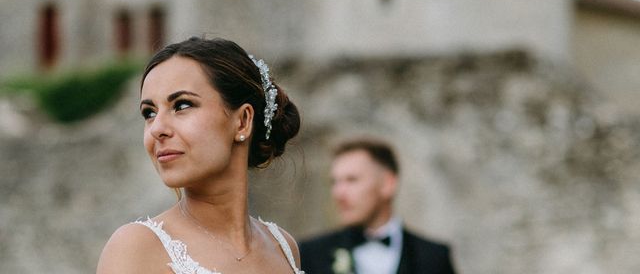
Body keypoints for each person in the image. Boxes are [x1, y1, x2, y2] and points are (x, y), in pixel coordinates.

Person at [97, 36, 304, 274]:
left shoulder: (284, 247)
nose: (157, 129)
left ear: (243, 121)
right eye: (149, 113)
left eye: (182, 105)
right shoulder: (136, 248)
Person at [299, 138, 456, 274]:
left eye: (352, 180)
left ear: (388, 184)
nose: (338, 193)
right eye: (335, 182)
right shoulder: (311, 253)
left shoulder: (434, 257)